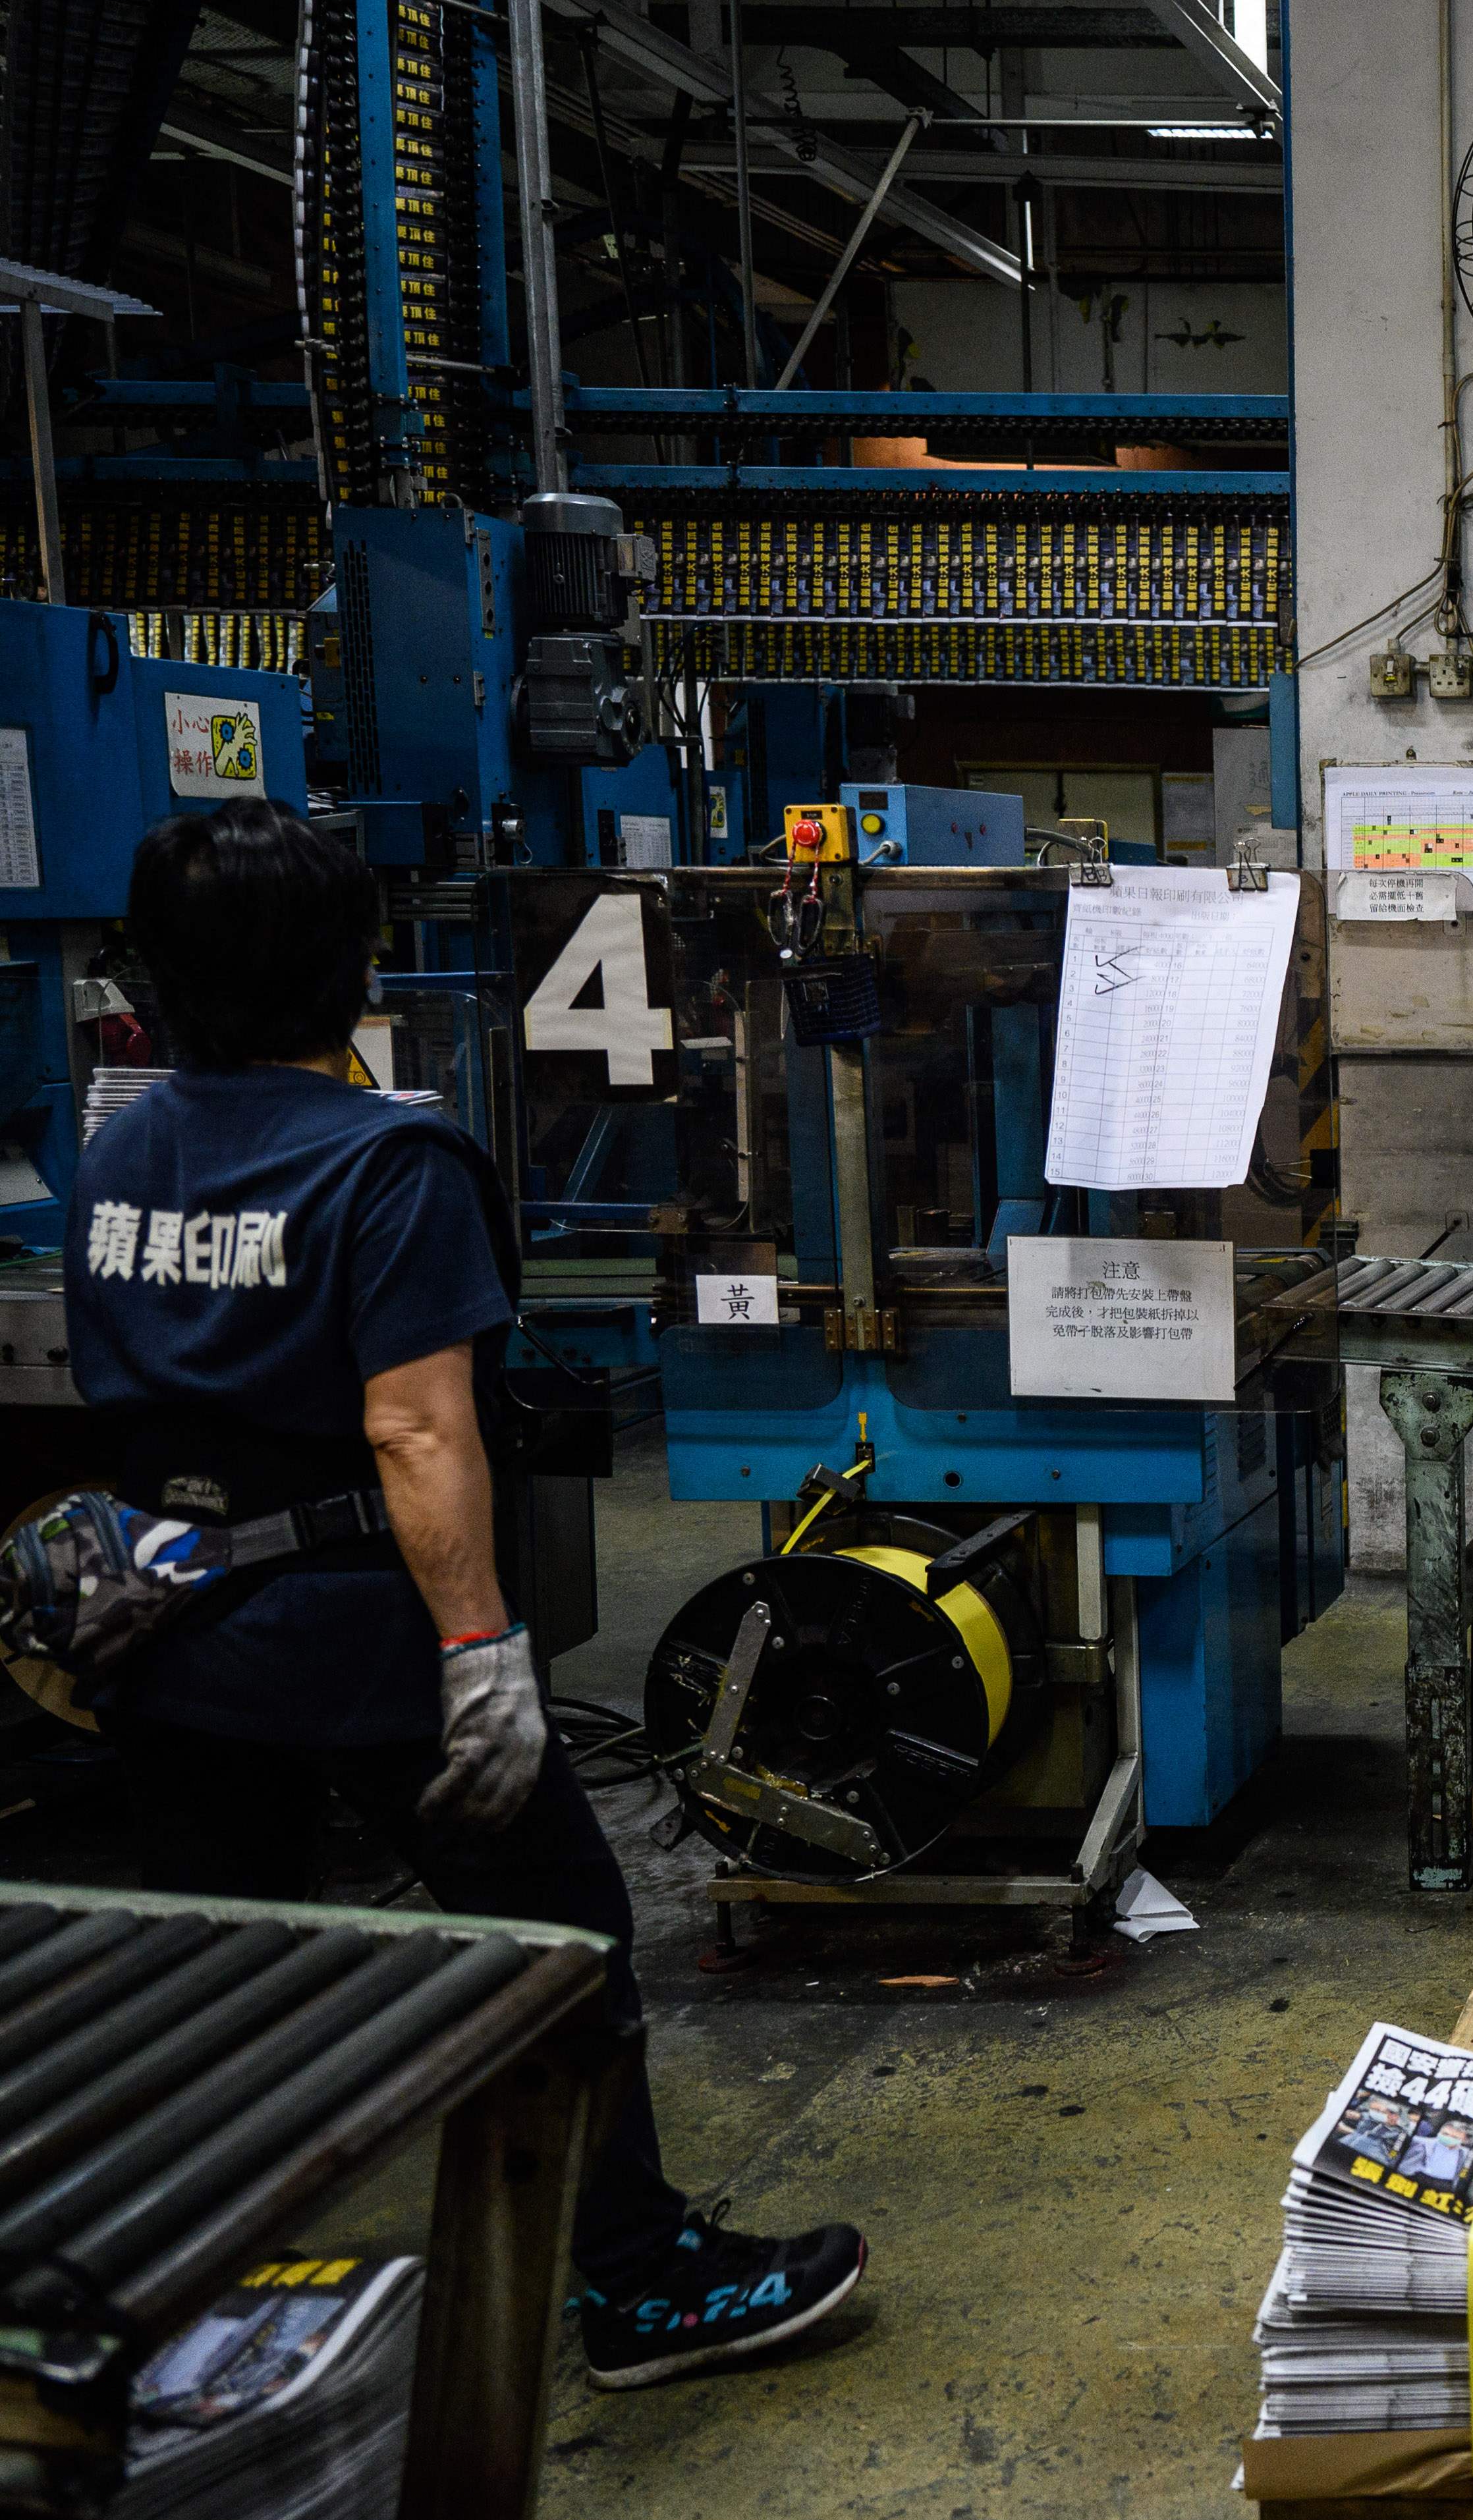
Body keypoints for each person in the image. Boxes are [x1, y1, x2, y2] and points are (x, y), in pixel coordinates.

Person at [63, 800, 865, 2390]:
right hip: (357, 1637)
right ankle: (634, 2281)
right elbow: (415, 1428)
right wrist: (483, 1652)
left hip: (162, 1626)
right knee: (559, 1939)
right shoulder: (390, 1159)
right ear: (348, 964)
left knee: (220, 1973)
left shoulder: (125, 1143)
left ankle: (181, 2320)